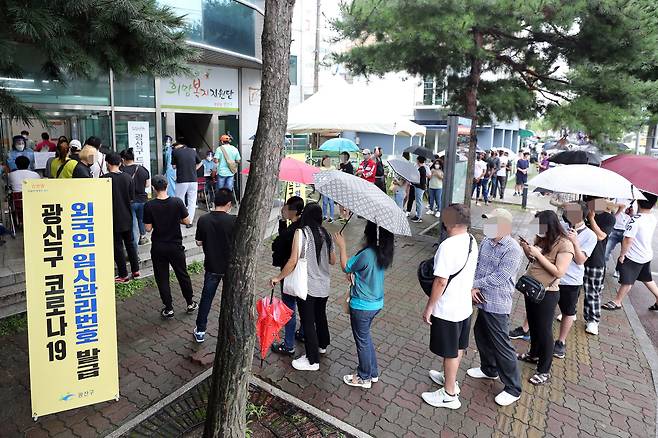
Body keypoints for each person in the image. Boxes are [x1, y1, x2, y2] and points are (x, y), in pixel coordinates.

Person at [421, 204, 478, 409]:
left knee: (450, 351)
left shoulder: (448, 245)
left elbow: (440, 281)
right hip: (464, 306)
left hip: (448, 309)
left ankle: (449, 394)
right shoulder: (471, 240)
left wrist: (429, 307)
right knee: (458, 346)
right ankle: (450, 379)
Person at [270, 203, 336, 371]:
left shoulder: (301, 232)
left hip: (308, 285)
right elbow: (332, 261)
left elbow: (293, 260)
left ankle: (312, 360)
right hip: (324, 284)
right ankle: (322, 345)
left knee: (307, 321)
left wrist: (279, 277)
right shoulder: (326, 233)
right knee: (320, 316)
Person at [469, 208, 523, 406]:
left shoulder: (512, 249)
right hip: (480, 297)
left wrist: (474, 285)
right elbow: (477, 265)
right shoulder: (486, 241)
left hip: (497, 301)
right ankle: (488, 369)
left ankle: (513, 387)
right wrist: (472, 286)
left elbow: (500, 277)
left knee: (502, 344)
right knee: (481, 334)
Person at [334, 221, 394, 388]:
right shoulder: (382, 253)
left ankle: (364, 377)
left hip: (362, 305)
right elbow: (362, 272)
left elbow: (346, 267)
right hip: (376, 303)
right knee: (365, 338)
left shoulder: (367, 254)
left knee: (362, 341)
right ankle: (372, 372)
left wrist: (342, 246)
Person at [517, 210, 574, 386]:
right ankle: (533, 354)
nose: (537, 230)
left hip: (548, 293)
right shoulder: (542, 238)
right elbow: (534, 261)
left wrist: (539, 254)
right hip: (532, 288)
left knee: (544, 331)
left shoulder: (565, 244)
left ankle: (544, 370)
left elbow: (559, 271)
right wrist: (527, 250)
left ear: (549, 225)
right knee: (533, 325)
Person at [144, 175, 198, 318]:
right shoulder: (177, 202)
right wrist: (175, 219)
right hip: (175, 246)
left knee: (162, 278)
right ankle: (190, 303)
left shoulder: (149, 205)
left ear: (154, 188)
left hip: (158, 247)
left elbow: (148, 228)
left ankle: (168, 308)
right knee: (182, 274)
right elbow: (187, 221)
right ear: (167, 186)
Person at [553, 202, 597, 359]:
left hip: (571, 280)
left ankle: (561, 341)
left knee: (568, 312)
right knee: (543, 307)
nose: (567, 213)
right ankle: (530, 332)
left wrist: (575, 242)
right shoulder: (562, 226)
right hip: (554, 275)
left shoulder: (590, 236)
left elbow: (580, 260)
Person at [193, 188, 236, 343]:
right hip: (230, 268)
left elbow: (198, 242)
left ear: (214, 201)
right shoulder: (234, 221)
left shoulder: (204, 220)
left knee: (206, 298)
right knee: (231, 298)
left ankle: (200, 330)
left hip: (211, 266)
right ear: (229, 204)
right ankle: (232, 329)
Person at [603, 193, 658, 311]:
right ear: (653, 205)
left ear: (638, 201)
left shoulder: (635, 220)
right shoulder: (652, 218)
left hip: (635, 255)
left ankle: (617, 301)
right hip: (646, 254)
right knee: (647, 279)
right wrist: (633, 215)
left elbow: (628, 239)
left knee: (628, 279)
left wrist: (622, 255)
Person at [270, 196, 305, 354]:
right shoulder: (307, 226)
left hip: (290, 274)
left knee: (289, 308)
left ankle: (288, 345)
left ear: (294, 211)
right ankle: (303, 333)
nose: (284, 209)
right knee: (303, 306)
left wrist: (279, 277)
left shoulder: (294, 231)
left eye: (287, 208)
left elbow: (279, 244)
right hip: (305, 274)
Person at [102, 152, 140, 283]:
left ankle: (123, 275)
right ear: (120, 163)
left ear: (108, 163)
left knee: (118, 246)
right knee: (130, 244)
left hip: (113, 218)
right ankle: (135, 270)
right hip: (127, 216)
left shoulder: (104, 179)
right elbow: (131, 198)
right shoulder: (128, 177)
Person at [582, 196, 616, 335]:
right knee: (572, 289)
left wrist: (591, 218)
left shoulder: (609, 218)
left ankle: (593, 320)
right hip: (578, 257)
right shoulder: (580, 210)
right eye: (590, 199)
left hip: (595, 260)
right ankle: (569, 313)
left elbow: (601, 236)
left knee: (593, 292)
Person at [121, 148, 151, 245]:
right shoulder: (143, 169)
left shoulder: (122, 171)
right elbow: (147, 185)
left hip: (130, 201)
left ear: (123, 159)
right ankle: (142, 236)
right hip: (142, 199)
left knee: (133, 225)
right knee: (141, 219)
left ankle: (135, 251)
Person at [172, 142, 202, 226]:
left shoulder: (175, 152)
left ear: (176, 147)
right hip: (193, 180)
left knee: (179, 200)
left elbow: (173, 166)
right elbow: (200, 162)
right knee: (192, 201)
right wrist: (193, 169)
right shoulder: (192, 151)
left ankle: (182, 218)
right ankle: (190, 221)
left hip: (182, 180)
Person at [604, 198, 632, 277]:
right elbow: (608, 205)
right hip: (614, 228)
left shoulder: (636, 202)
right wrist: (619, 208)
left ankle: (618, 270)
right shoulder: (619, 197)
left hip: (627, 232)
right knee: (606, 250)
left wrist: (632, 214)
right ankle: (603, 269)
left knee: (624, 254)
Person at [409, 156, 427, 223]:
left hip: (419, 188)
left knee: (418, 202)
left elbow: (421, 181)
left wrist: (414, 182)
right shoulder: (422, 168)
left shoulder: (422, 169)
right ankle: (418, 216)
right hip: (419, 187)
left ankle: (419, 217)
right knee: (418, 202)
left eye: (417, 160)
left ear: (418, 161)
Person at [338, 152, 354, 220]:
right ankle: (341, 214)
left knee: (347, 202)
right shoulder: (341, 165)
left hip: (347, 186)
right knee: (340, 201)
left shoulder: (350, 166)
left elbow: (350, 177)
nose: (341, 158)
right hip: (340, 185)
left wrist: (342, 173)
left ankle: (347, 216)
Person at [320, 156, 335, 222]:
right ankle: (324, 215)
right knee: (325, 202)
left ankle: (331, 217)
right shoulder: (321, 168)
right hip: (324, 187)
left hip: (331, 187)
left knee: (331, 203)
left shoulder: (333, 167)